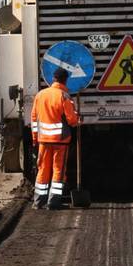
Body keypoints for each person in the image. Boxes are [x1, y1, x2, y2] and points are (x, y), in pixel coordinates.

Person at [30, 67, 80, 210]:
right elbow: (71, 120)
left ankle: (38, 201)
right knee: (58, 170)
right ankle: (54, 202)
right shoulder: (64, 96)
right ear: (65, 80)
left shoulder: (40, 95)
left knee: (43, 169)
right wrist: (78, 119)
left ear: (53, 79)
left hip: (43, 141)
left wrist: (35, 138)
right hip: (60, 141)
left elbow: (34, 119)